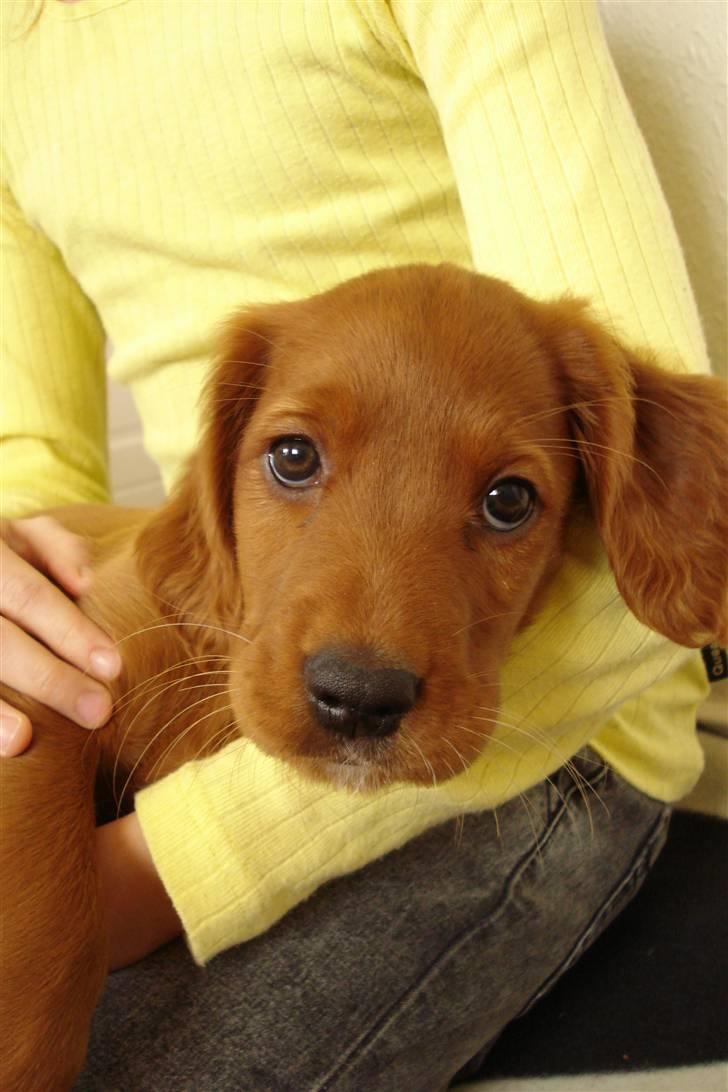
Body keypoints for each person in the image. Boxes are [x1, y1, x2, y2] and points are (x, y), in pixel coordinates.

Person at [0, 1, 712, 1088]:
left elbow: (642, 572)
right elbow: (32, 481)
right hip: (216, 623)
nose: (359, 653)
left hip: (552, 742)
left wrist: (149, 876)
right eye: (293, 459)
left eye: (508, 501)